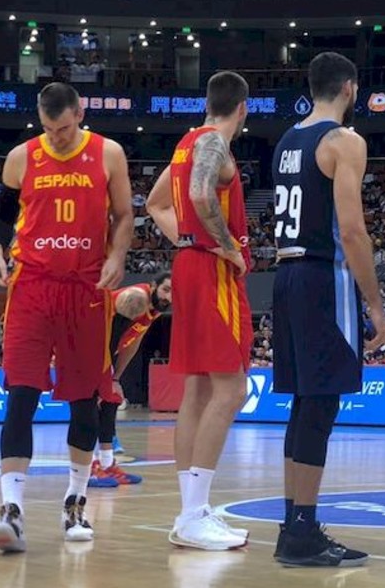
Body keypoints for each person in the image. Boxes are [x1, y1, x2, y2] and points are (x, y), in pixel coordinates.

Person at [0, 82, 134, 552]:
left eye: (64, 128)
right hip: (32, 286)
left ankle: (76, 502)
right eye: (49, 129)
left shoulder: (108, 153)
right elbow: (5, 213)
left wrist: (118, 256)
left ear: (80, 113)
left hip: (87, 289)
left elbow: (125, 215)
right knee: (21, 394)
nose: (58, 136)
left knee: (84, 401)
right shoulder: (21, 156)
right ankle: (12, 509)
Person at [269, 51, 385, 567]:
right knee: (321, 404)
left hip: (284, 274)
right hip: (324, 275)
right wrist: (378, 307)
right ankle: (301, 528)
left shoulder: (285, 142)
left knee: (304, 403)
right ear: (350, 88)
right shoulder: (344, 141)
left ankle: (296, 524)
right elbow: (351, 230)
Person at [146, 71, 253, 551]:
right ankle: (192, 514)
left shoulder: (185, 143)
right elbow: (198, 195)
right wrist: (227, 246)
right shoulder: (213, 145)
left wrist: (185, 238)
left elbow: (154, 202)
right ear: (243, 109)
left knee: (197, 389)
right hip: (210, 271)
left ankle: (193, 512)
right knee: (231, 391)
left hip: (188, 264)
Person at [88, 275, 173, 488]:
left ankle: (107, 465)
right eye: (166, 289)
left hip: (105, 353)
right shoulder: (135, 298)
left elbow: (132, 342)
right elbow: (108, 334)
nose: (169, 297)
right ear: (153, 286)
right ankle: (88, 468)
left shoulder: (153, 309)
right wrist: (103, 375)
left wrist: (115, 377)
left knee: (111, 400)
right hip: (88, 349)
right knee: (87, 406)